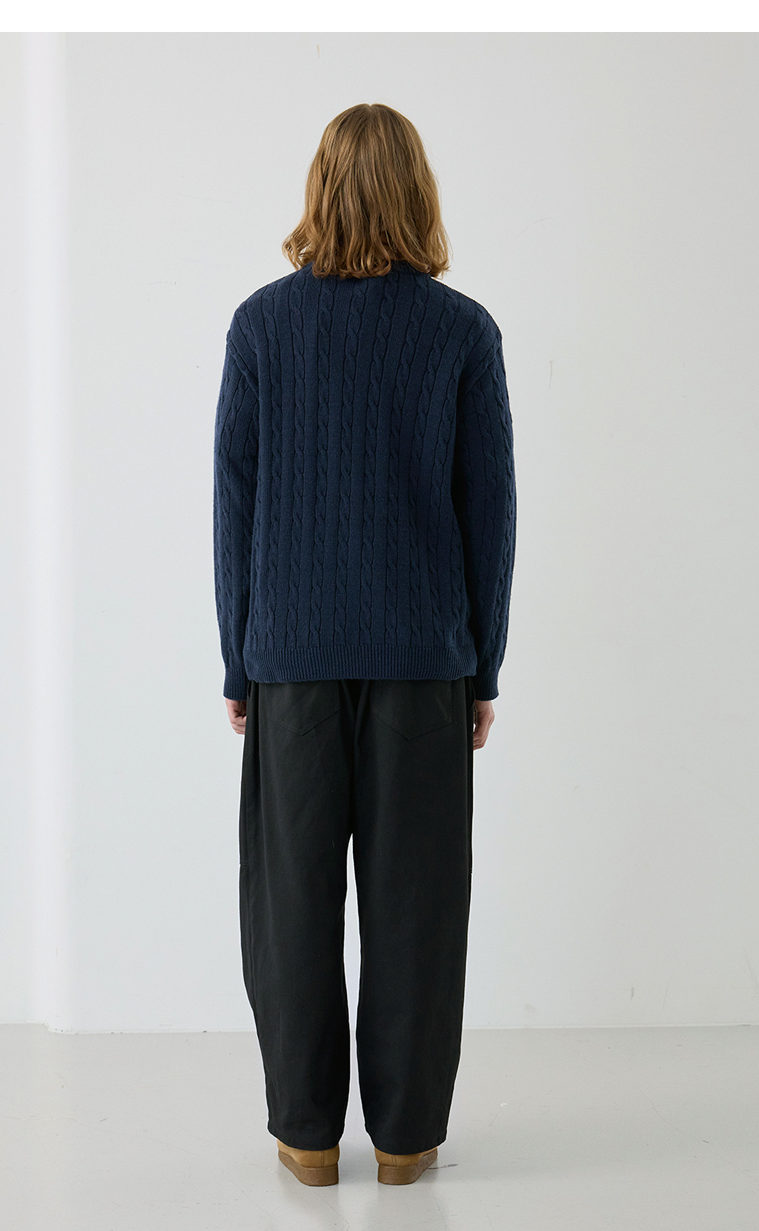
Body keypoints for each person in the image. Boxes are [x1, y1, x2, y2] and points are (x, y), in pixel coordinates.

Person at [213, 102, 516, 1187]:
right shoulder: (461, 331)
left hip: (290, 660)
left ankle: (305, 1137)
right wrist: (482, 666)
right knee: (416, 912)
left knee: (290, 907)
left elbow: (234, 507)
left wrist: (238, 657)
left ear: (319, 188)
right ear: (417, 192)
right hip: (424, 663)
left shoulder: (261, 325)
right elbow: (490, 513)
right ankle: (404, 1141)